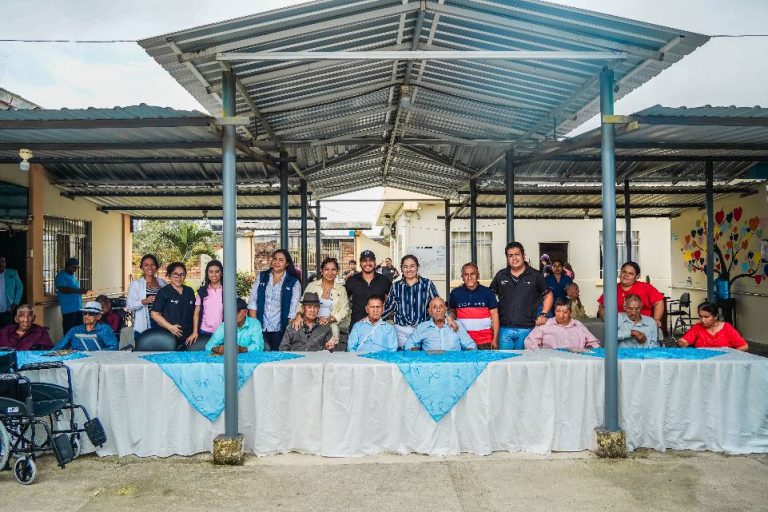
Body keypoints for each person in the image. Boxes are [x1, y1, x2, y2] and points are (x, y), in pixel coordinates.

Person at [490, 242, 553, 350]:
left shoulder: (536, 275)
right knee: (505, 359)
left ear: (523, 256)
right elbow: (490, 296)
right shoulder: (501, 275)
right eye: (510, 255)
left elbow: (548, 295)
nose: (514, 258)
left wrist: (543, 314)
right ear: (507, 258)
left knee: (524, 360)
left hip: (528, 329)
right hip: (504, 329)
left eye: (517, 254)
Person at [384, 254, 453, 349]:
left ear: (417, 267)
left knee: (425, 356)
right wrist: (370, 319)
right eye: (405, 267)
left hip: (423, 329)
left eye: (412, 266)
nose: (409, 270)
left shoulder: (427, 284)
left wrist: (448, 317)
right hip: (401, 331)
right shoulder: (396, 286)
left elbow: (438, 304)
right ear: (401, 269)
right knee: (405, 356)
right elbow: (388, 307)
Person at [247, 249, 302, 352]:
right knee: (261, 355)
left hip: (281, 329)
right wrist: (255, 325)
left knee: (278, 356)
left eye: (281, 260)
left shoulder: (293, 282)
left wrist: (288, 331)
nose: (277, 262)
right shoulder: (262, 277)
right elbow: (253, 301)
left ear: (287, 264)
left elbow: (293, 308)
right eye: (275, 259)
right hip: (261, 327)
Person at [291, 257, 350, 340]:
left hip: (331, 331)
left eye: (333, 269)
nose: (330, 273)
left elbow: (345, 310)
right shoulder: (312, 286)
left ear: (337, 272)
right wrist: (298, 316)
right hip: (310, 329)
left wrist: (329, 319)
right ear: (321, 271)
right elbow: (302, 304)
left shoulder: (341, 289)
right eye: (326, 269)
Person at [597, 261, 664, 327]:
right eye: (624, 272)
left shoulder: (645, 287)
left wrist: (656, 319)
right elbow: (602, 306)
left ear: (637, 276)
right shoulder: (612, 289)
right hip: (619, 326)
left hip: (643, 325)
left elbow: (659, 302)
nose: (626, 275)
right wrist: (609, 324)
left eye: (630, 273)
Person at [448, 262, 499, 350]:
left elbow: (494, 315)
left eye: (472, 274)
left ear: (478, 275)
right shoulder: (455, 293)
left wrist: (495, 339)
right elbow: (452, 314)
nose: (469, 277)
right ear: (462, 277)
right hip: (463, 342)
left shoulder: (487, 292)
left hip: (485, 342)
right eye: (466, 275)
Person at [524, 298, 600, 350]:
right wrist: (541, 354)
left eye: (565, 312)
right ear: (554, 311)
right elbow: (530, 342)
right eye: (558, 311)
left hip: (576, 362)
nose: (561, 315)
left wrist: (589, 351)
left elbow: (593, 343)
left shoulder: (577, 325)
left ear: (570, 312)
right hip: (551, 362)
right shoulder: (545, 325)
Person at [151, 262, 196, 349]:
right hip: (169, 337)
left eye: (182, 274)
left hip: (189, 338)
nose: (179, 278)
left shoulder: (189, 291)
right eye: (175, 274)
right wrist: (170, 327)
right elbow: (154, 314)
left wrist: (194, 332)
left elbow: (194, 313)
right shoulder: (163, 292)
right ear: (169, 275)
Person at [405, 297, 476, 351]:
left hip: (454, 363)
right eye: (434, 307)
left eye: (441, 307)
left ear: (445, 309)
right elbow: (408, 344)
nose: (438, 310)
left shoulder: (456, 324)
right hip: (430, 364)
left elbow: (470, 344)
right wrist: (416, 352)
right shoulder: (422, 327)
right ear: (429, 311)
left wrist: (468, 353)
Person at [344, 250, 392, 328]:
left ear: (375, 263)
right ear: (360, 263)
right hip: (357, 326)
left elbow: (392, 301)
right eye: (364, 261)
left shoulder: (384, 280)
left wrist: (384, 313)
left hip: (379, 327)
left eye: (370, 260)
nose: (367, 263)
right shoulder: (352, 280)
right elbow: (342, 299)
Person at [126, 254, 166, 342]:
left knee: (161, 348)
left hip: (161, 323)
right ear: (142, 268)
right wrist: (144, 301)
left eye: (152, 264)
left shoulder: (162, 283)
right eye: (146, 265)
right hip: (143, 326)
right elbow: (129, 305)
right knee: (143, 348)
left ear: (156, 267)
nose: (150, 267)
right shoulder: (136, 284)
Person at [678, 302, 748, 351]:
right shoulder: (697, 327)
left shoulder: (727, 328)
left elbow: (744, 346)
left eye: (706, 317)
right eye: (700, 316)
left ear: (715, 316)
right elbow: (682, 341)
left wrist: (731, 356)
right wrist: (682, 343)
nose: (702, 320)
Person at [54, 301, 118, 351]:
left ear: (98, 316)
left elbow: (113, 347)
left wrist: (97, 354)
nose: (86, 316)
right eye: (85, 313)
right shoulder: (75, 330)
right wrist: (50, 354)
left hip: (97, 361)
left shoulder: (104, 329)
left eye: (91, 313)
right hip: (78, 361)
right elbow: (60, 346)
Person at [190, 259, 224, 344]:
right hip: (204, 331)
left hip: (222, 332)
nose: (214, 274)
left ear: (221, 273)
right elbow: (196, 313)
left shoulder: (227, 290)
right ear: (207, 273)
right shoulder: (202, 291)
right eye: (211, 272)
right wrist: (195, 332)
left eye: (217, 271)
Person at [55, 257, 88, 335]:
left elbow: (75, 289)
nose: (75, 270)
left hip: (78, 308)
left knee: (80, 332)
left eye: (76, 268)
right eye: (74, 267)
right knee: (69, 332)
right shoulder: (61, 276)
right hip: (69, 310)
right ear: (68, 266)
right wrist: (78, 290)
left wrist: (81, 290)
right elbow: (62, 289)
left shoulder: (73, 276)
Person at [0, 253, 23, 329]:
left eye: (3, 261)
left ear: (5, 263)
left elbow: (20, 287)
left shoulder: (12, 273)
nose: (1, 264)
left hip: (7, 310)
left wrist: (15, 303)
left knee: (7, 333)